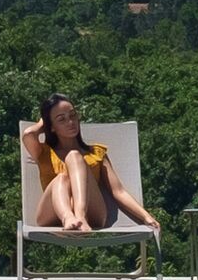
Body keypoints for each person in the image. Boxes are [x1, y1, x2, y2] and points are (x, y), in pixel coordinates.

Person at [24, 93, 157, 232]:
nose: (70, 122)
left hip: (92, 215)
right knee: (62, 178)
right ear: (51, 127)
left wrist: (146, 217)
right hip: (52, 214)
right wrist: (45, 122)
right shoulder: (44, 152)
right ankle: (69, 217)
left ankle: (80, 216)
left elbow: (118, 191)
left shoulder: (96, 153)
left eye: (73, 115)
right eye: (62, 119)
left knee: (74, 156)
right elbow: (28, 134)